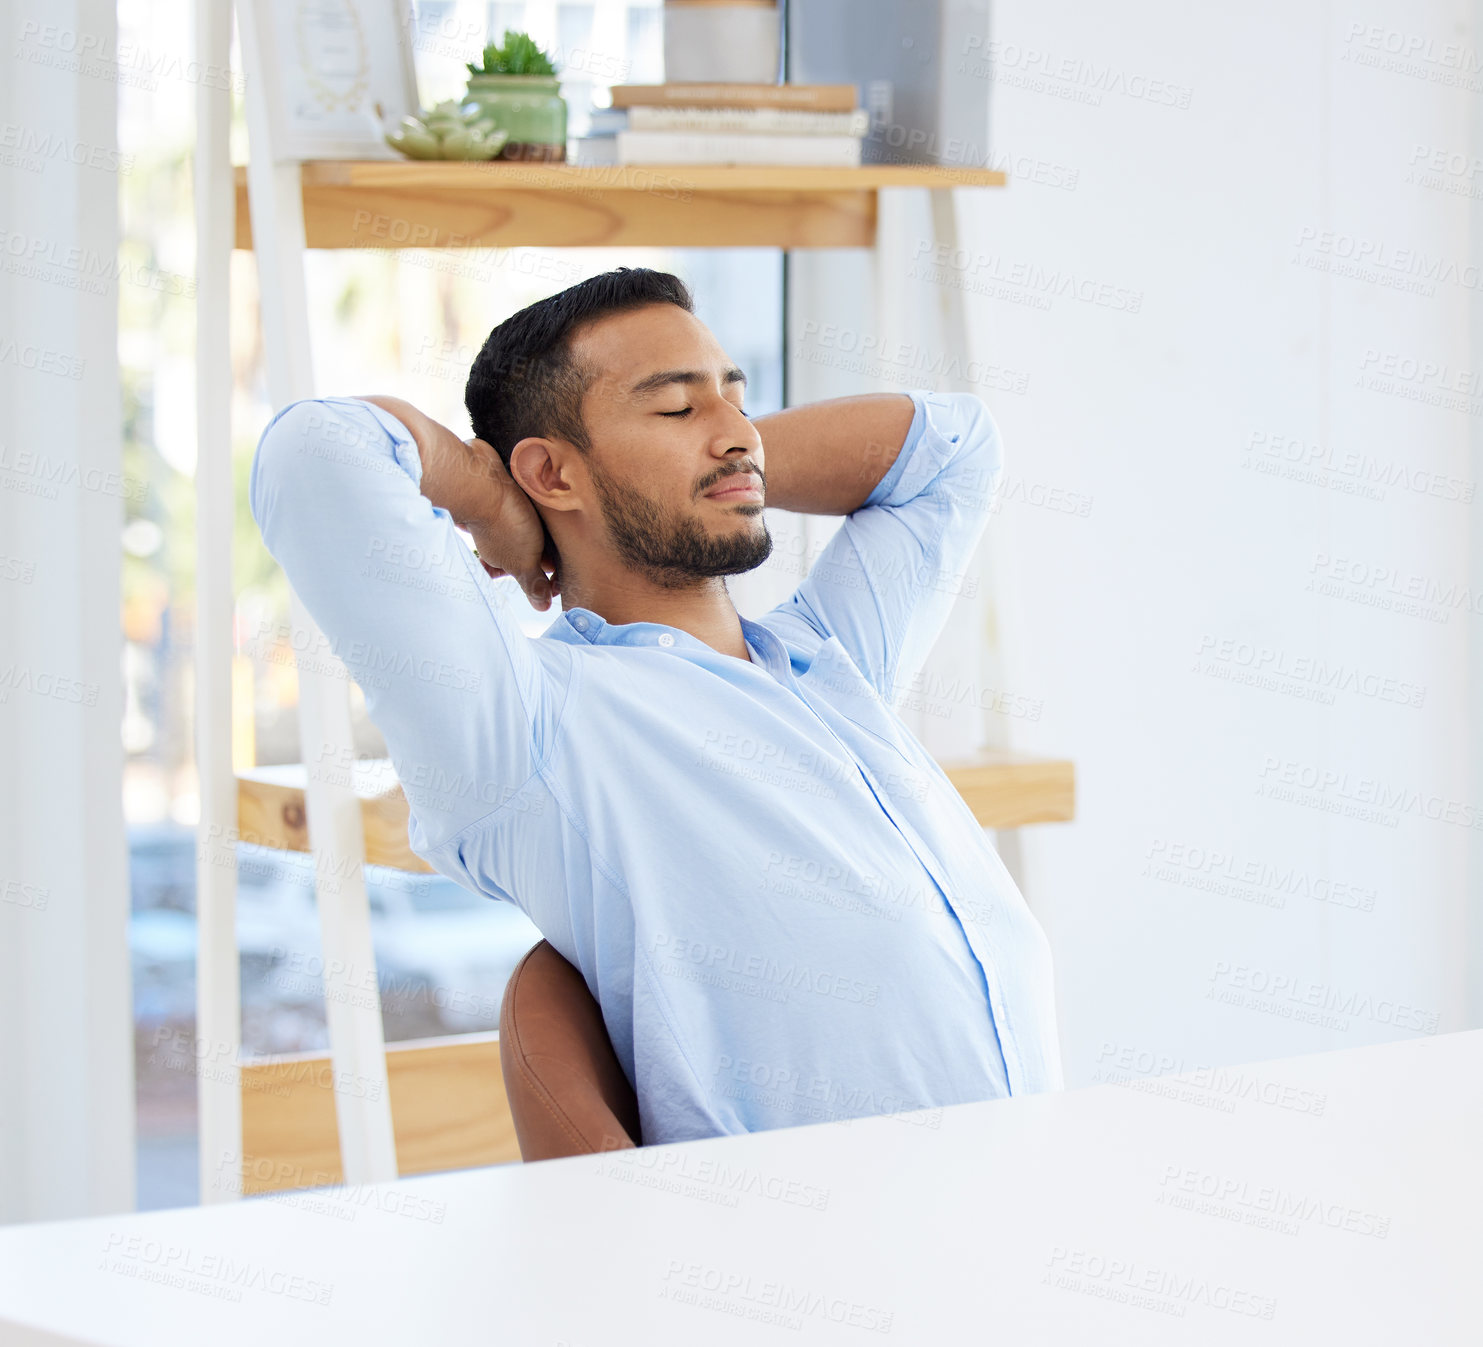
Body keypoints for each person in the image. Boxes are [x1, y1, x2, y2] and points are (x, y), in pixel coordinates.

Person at [250, 266, 1062, 1145]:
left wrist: (719, 462)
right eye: (676, 409)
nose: (735, 432)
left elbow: (954, 449)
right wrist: (494, 501)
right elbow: (315, 452)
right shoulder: (526, 730)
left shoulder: (831, 661)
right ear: (552, 470)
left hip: (1024, 1211)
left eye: (736, 399)